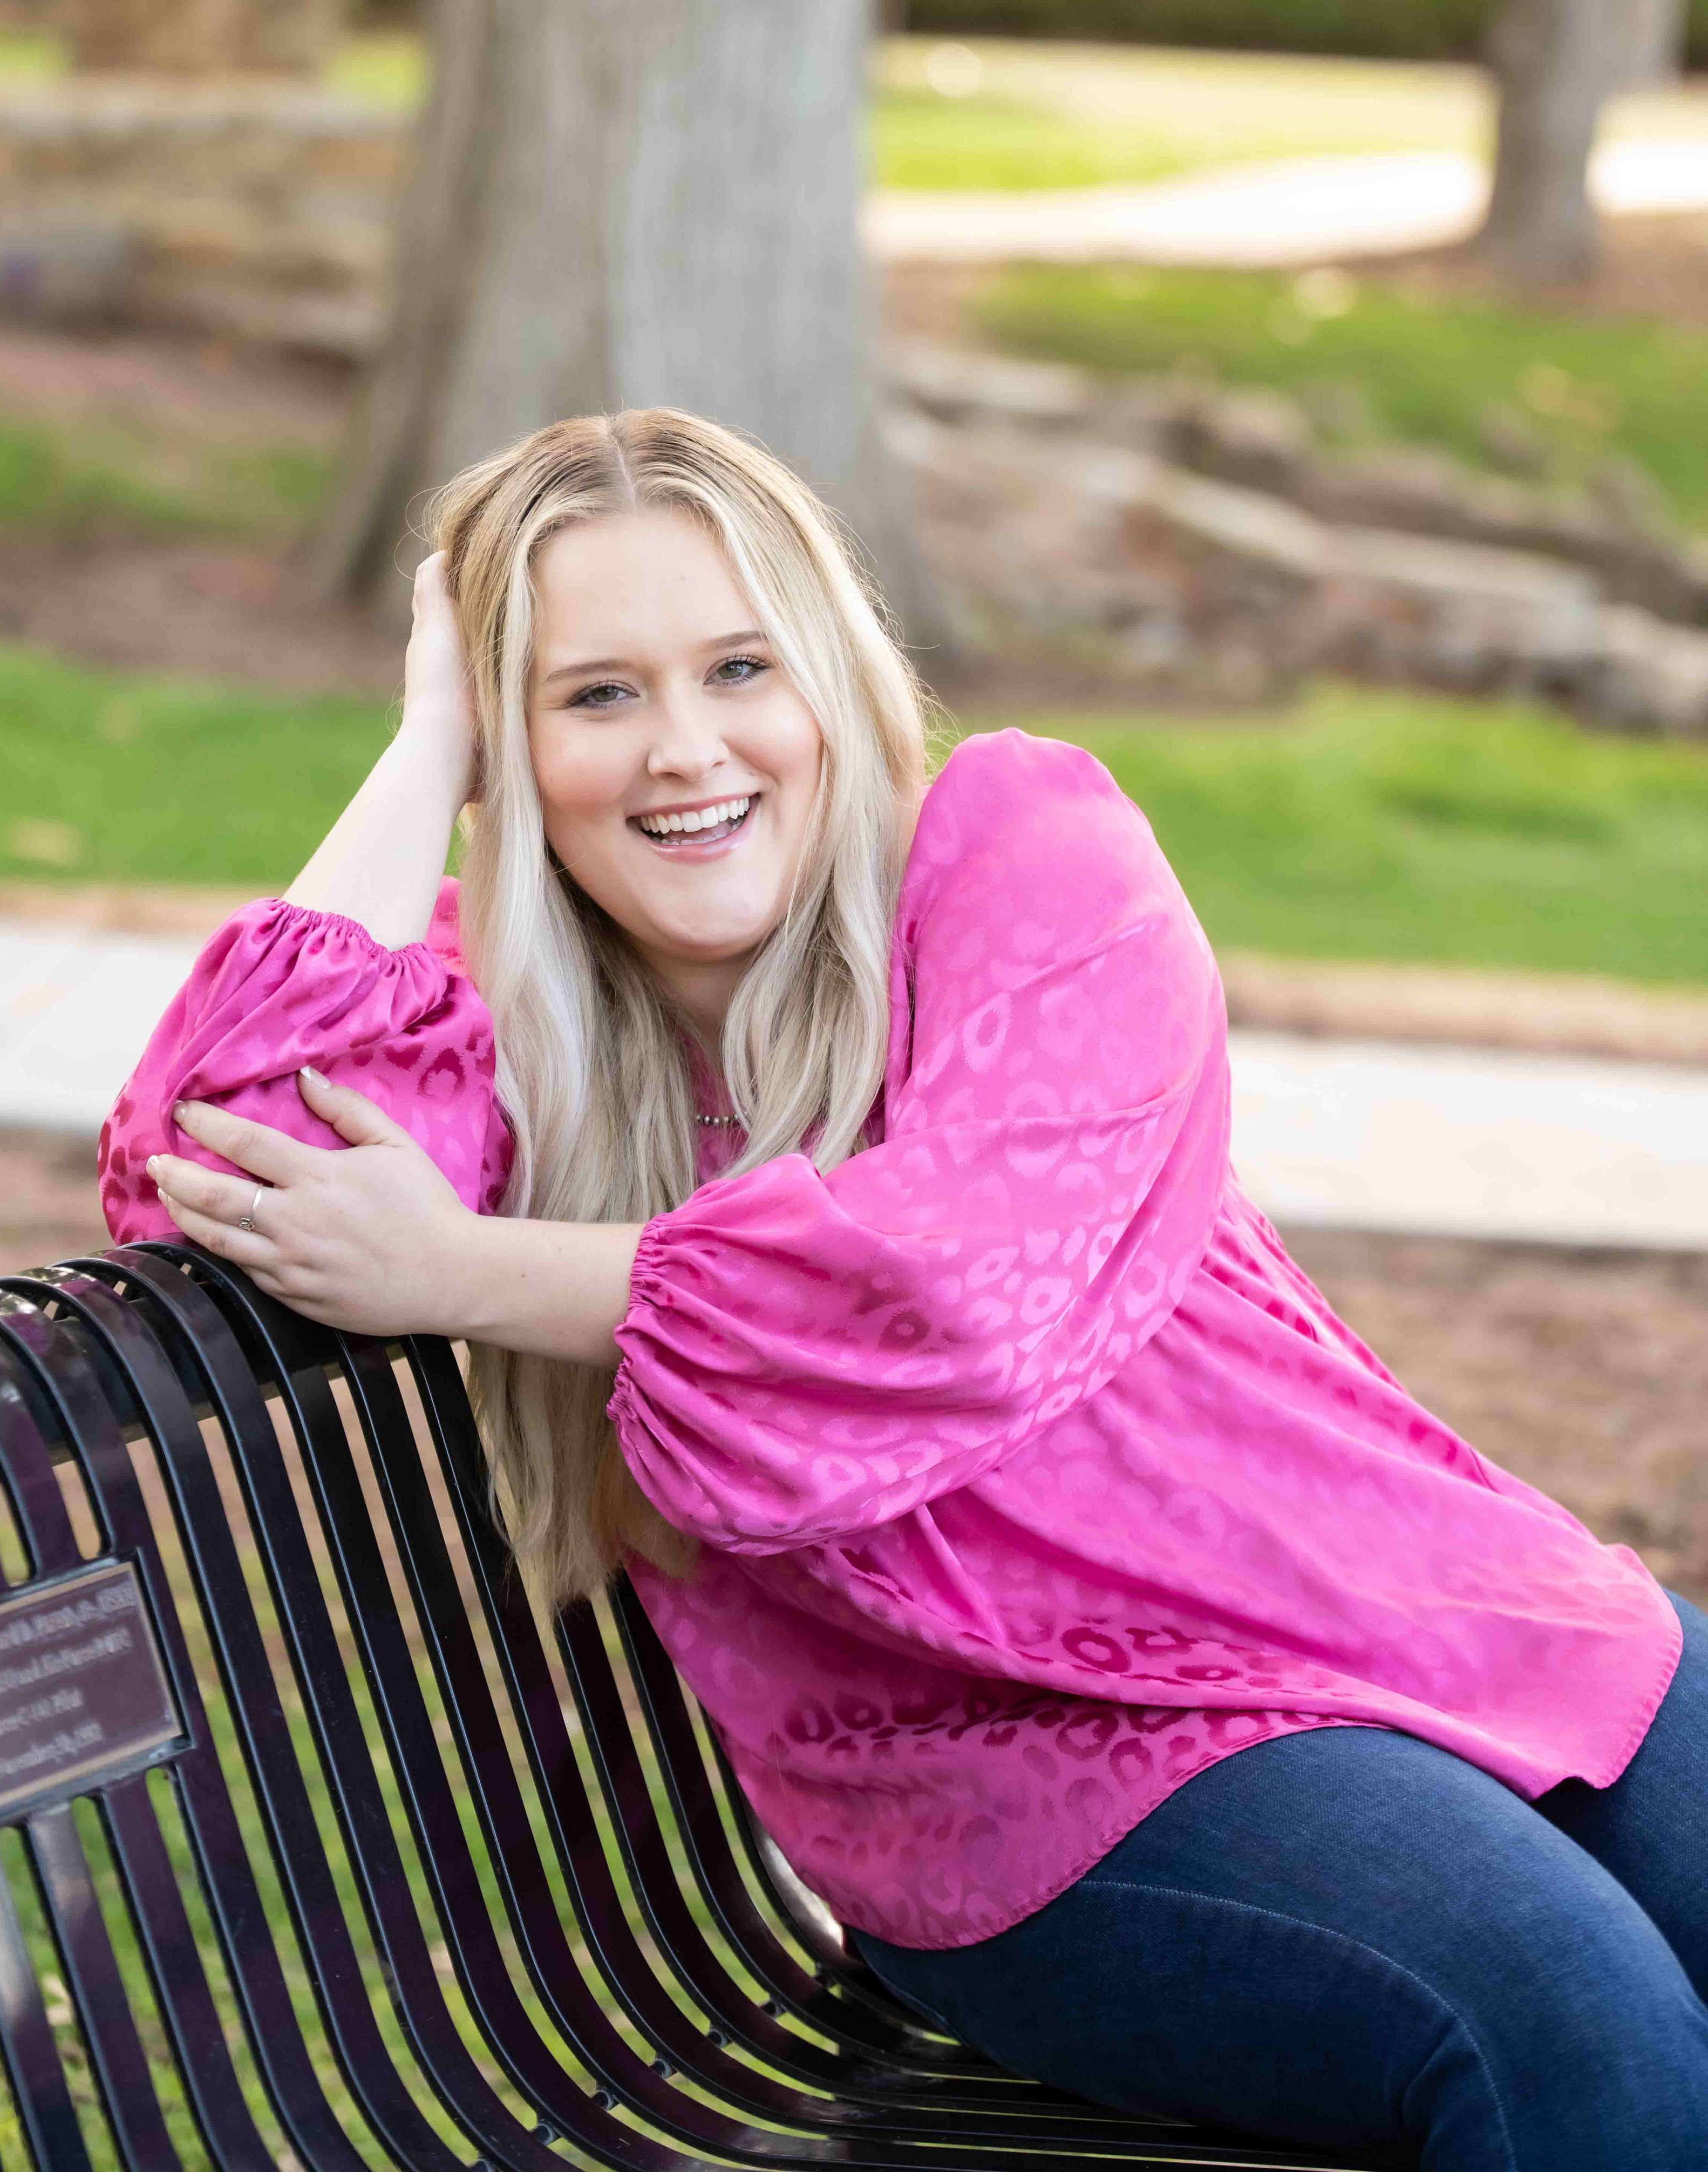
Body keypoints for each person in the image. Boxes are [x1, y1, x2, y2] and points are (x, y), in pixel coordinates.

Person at [98, 409, 1708, 2171]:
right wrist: (426, 745)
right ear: (515, 740)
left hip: (1441, 1605)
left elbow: (953, 1290)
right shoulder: (506, 1052)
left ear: (830, 676)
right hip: (1040, 1777)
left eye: (740, 669)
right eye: (595, 695)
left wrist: (468, 1271)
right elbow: (211, 1166)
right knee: (1577, 2028)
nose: (687, 749)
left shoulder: (1031, 870)